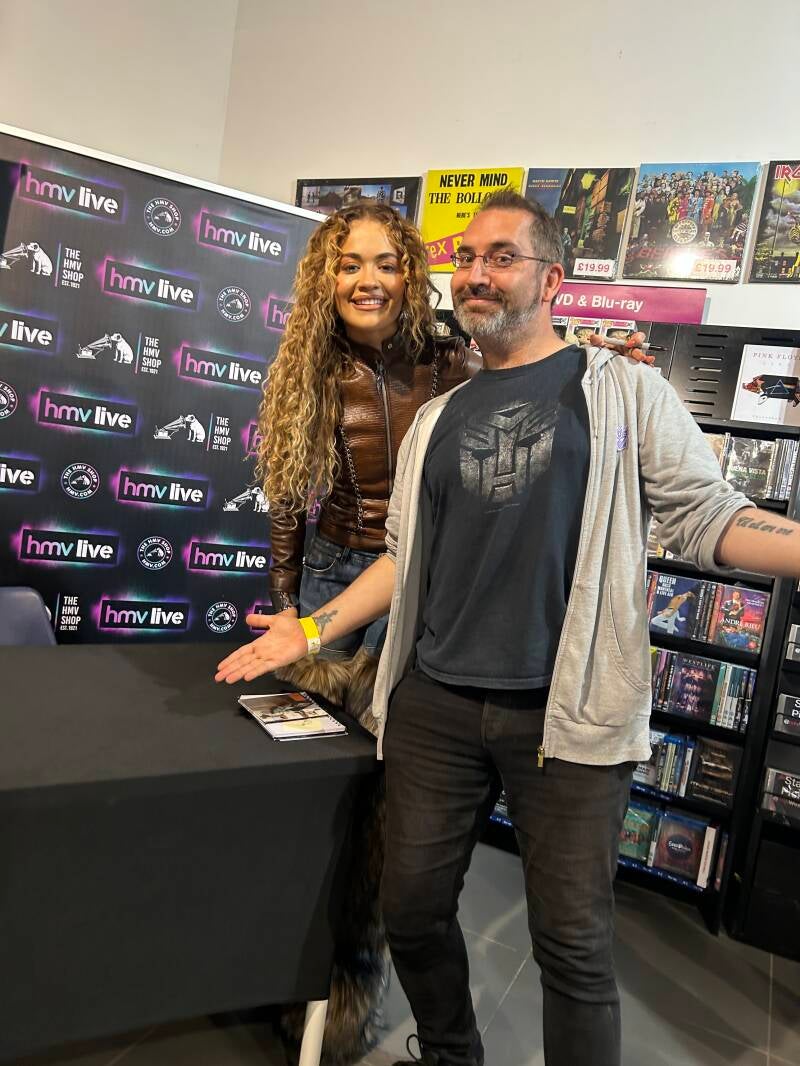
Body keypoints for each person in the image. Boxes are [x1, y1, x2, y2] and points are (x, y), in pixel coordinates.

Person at [222, 193, 677, 1066]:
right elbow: (286, 494)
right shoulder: (306, 367)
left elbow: (537, 381)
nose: (367, 280)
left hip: (435, 594)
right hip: (343, 592)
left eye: (386, 262)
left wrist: (606, 365)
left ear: (410, 273)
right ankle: (319, 1000)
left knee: (411, 847)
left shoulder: (456, 361)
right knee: (344, 833)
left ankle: (360, 1008)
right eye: (347, 264)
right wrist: (295, 613)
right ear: (325, 278)